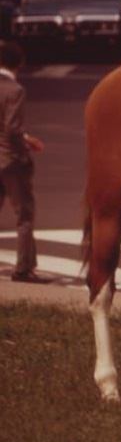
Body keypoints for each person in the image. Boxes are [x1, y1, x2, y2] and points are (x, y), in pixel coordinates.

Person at [0, 41, 46, 284]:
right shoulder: (15, 90)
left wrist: (27, 139)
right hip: (10, 161)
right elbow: (12, 128)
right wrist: (22, 152)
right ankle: (23, 268)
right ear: (20, 63)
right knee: (24, 215)